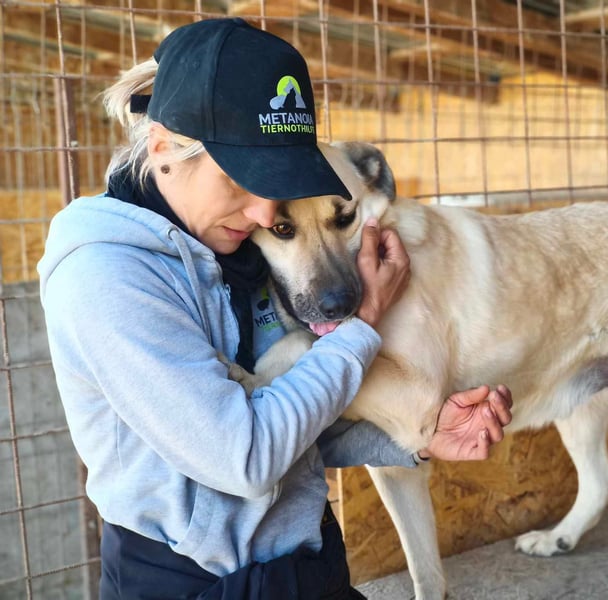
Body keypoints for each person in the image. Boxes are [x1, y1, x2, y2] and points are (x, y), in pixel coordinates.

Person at [38, 17, 512, 600]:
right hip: (196, 581)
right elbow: (246, 455)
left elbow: (291, 421)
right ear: (162, 148)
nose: (265, 214)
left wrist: (410, 440)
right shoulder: (107, 277)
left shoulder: (234, 249)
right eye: (243, 182)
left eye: (277, 185)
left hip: (303, 558)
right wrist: (362, 326)